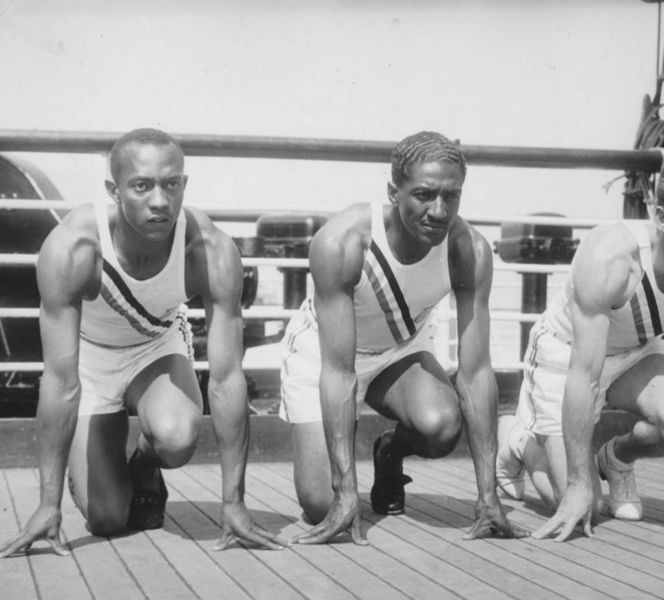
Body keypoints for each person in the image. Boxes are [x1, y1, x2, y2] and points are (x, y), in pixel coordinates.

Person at [0, 128, 287, 557]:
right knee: (107, 517)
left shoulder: (208, 249)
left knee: (177, 437)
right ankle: (107, 440)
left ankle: (146, 462)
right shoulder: (73, 248)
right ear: (113, 191)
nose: (159, 200)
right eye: (141, 185)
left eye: (171, 184)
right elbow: (59, 382)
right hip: (90, 361)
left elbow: (227, 380)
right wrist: (47, 505)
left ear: (184, 185)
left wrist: (235, 504)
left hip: (154, 347)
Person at [495, 144, 664, 541]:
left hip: (635, 351)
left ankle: (617, 459)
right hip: (567, 354)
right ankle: (518, 440)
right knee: (584, 506)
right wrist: (577, 487)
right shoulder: (612, 257)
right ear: (661, 217)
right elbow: (584, 374)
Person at [279, 131, 527, 544]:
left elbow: (476, 371)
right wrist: (346, 492)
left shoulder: (470, 250)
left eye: (451, 196)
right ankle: (339, 487)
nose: (438, 211)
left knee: (442, 426)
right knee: (322, 502)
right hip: (324, 355)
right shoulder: (342, 241)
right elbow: (339, 372)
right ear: (394, 191)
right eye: (424, 195)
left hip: (400, 350)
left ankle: (389, 452)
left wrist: (489, 496)